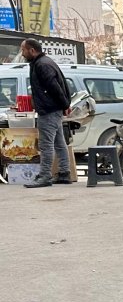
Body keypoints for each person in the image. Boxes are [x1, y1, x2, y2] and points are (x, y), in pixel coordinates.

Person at [22, 39, 72, 189]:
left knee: (46, 145)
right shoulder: (44, 62)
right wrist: (64, 104)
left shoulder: (42, 65)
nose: (22, 53)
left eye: (23, 50)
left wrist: (65, 104)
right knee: (59, 143)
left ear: (32, 50)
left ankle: (45, 176)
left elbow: (55, 87)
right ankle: (64, 173)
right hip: (53, 109)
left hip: (49, 110)